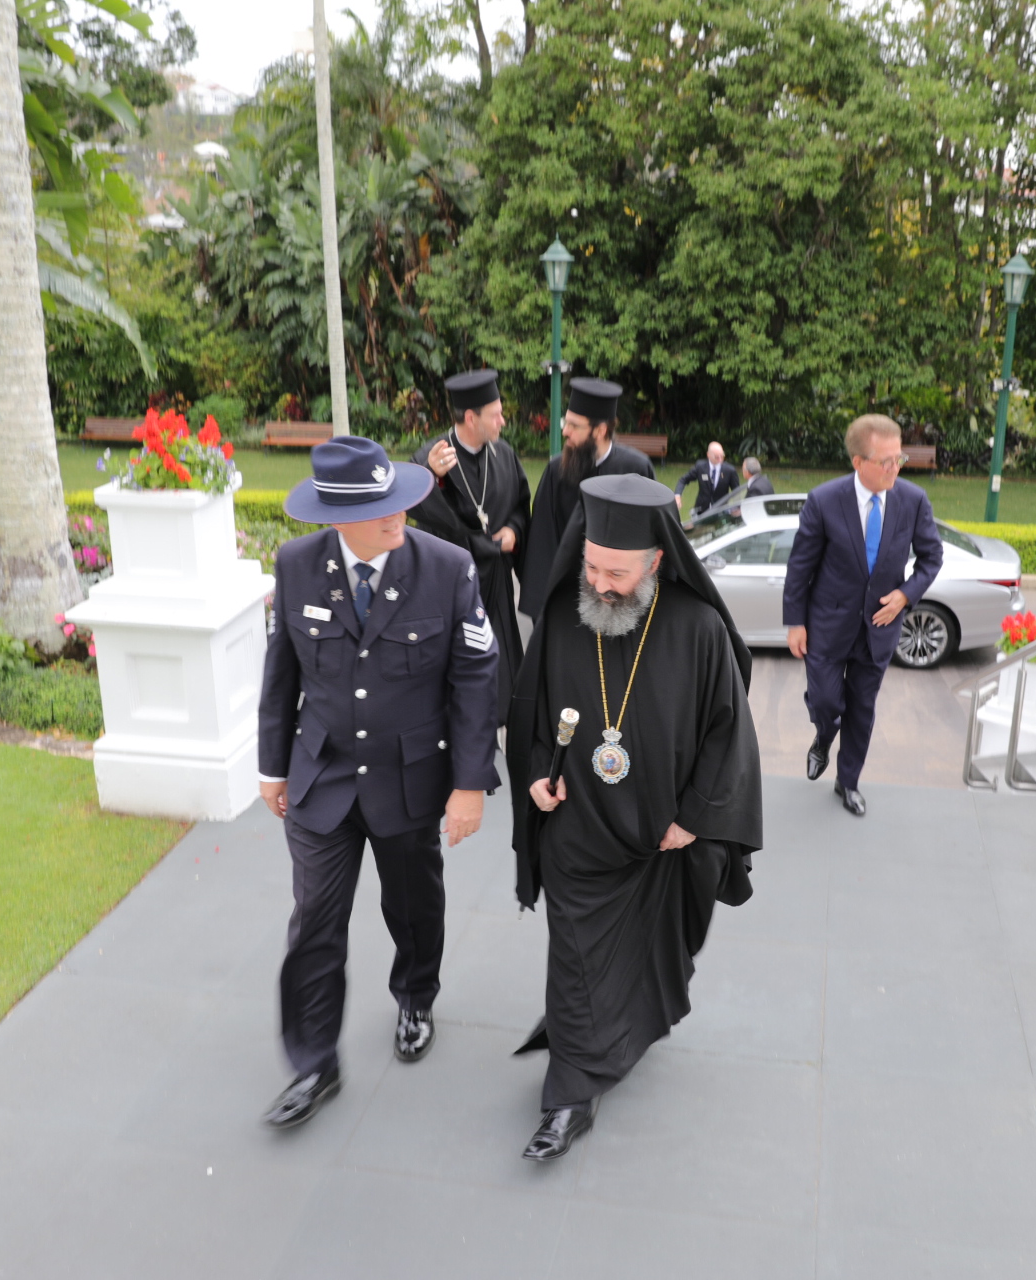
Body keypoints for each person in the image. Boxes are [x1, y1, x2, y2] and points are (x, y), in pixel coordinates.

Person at [508, 474, 764, 1161]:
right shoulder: (564, 617)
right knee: (574, 961)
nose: (600, 584)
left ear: (655, 561)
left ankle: (612, 1032)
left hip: (662, 841)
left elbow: (728, 733)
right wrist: (536, 776)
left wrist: (696, 817)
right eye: (591, 566)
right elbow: (532, 714)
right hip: (578, 833)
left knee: (643, 958)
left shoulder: (698, 628)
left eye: (616, 573)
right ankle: (569, 1097)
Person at [256, 435, 503, 1130]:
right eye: (377, 509)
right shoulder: (297, 565)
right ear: (337, 520)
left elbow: (475, 677)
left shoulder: (446, 568)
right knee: (314, 921)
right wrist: (273, 766)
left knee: (414, 907)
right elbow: (281, 672)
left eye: (395, 500)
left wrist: (470, 783)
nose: (397, 515)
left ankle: (416, 998)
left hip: (410, 777)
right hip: (322, 776)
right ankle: (314, 1062)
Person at [781, 415, 943, 817]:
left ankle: (848, 781)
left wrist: (905, 596)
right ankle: (824, 735)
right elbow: (800, 567)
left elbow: (931, 558)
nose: (895, 467)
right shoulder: (823, 500)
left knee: (861, 710)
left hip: (879, 630)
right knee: (825, 701)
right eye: (885, 461)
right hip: (827, 626)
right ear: (858, 462)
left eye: (899, 458)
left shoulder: (913, 500)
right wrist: (795, 623)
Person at [409, 369, 531, 707]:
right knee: (454, 681)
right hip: (450, 586)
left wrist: (514, 530)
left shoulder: (504, 455)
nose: (503, 421)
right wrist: (432, 476)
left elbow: (520, 505)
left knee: (502, 681)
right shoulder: (432, 456)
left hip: (496, 584)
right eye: (496, 415)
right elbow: (413, 505)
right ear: (470, 418)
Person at [518, 377, 655, 619]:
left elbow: (651, 542)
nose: (565, 431)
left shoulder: (636, 470)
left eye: (574, 425)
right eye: (566, 422)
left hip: (622, 605)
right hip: (569, 604)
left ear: (600, 430)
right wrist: (545, 610)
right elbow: (543, 541)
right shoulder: (557, 471)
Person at [672, 441, 737, 515]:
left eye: (722, 456)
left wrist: (736, 508)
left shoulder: (729, 470)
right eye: (717, 457)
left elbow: (737, 491)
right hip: (701, 510)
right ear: (708, 455)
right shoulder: (700, 467)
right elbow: (683, 480)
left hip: (720, 511)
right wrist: (677, 496)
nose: (720, 459)